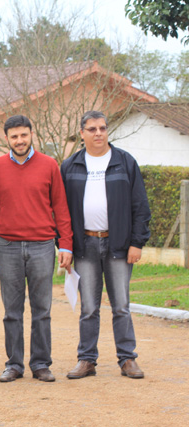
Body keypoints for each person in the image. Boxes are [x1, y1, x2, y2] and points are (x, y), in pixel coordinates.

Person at [0, 115, 73, 384]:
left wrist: (65, 244)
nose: (19, 141)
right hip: (7, 246)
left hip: (42, 246)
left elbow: (61, 208)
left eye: (24, 135)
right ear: (7, 139)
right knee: (12, 311)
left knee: (42, 309)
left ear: (31, 134)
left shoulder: (49, 165)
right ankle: (14, 364)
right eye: (14, 136)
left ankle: (41, 363)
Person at [61, 110, 151, 380]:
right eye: (92, 129)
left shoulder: (125, 162)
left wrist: (137, 243)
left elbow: (140, 206)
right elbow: (60, 210)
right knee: (89, 307)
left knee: (121, 305)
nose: (98, 133)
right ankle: (87, 360)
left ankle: (127, 359)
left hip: (119, 245)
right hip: (84, 244)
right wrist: (63, 245)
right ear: (82, 134)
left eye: (102, 128)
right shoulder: (69, 166)